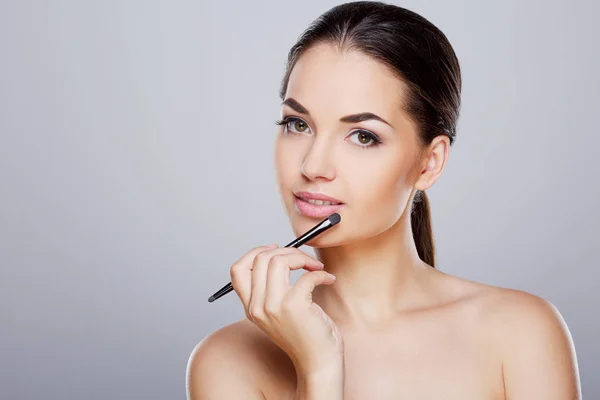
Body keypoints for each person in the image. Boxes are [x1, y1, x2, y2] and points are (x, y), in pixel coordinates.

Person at [186, 2, 581, 399]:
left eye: (363, 136)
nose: (313, 165)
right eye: (298, 124)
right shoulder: (227, 362)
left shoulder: (520, 334)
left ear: (429, 162)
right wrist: (319, 368)